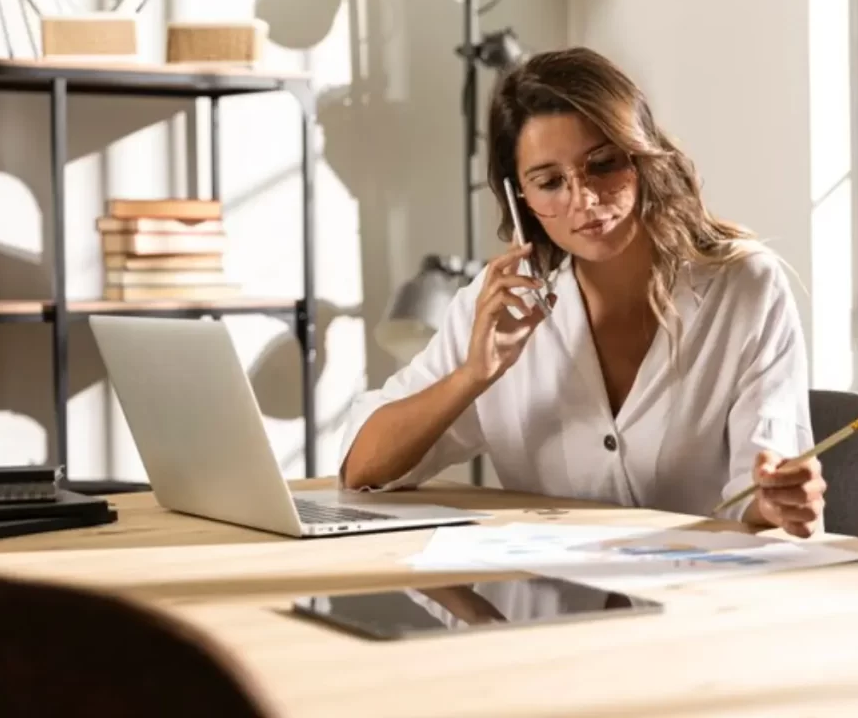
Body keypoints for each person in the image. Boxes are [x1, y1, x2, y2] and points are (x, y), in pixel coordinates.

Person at [339, 47, 826, 538]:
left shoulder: (744, 288)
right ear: (521, 199)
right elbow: (362, 469)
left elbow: (762, 493)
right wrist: (473, 375)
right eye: (550, 182)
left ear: (640, 155)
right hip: (548, 602)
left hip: (703, 597)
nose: (585, 200)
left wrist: (778, 500)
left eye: (604, 164)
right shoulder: (500, 306)